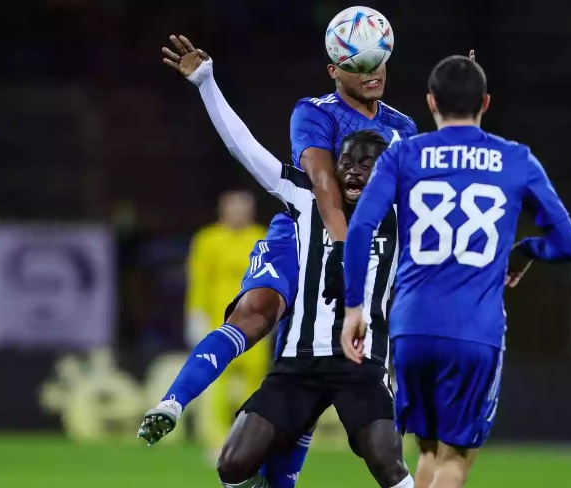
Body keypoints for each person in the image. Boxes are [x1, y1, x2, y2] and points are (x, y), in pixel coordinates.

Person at [138, 30, 416, 487]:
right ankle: (175, 401)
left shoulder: (404, 194)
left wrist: (459, 116)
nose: (352, 173)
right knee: (256, 314)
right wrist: (207, 83)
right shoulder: (308, 162)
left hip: (361, 356)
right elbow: (252, 150)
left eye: (366, 167)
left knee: (384, 459)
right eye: (345, 163)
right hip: (301, 331)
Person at [341, 55, 571, 488]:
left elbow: (360, 227)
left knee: (428, 452)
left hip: (411, 330)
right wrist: (525, 251)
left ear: (431, 102)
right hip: (473, 330)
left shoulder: (403, 154)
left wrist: (354, 307)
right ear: (485, 102)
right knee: (454, 461)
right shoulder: (516, 159)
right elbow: (569, 244)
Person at [185, 191, 269, 455]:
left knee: (255, 383)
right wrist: (195, 314)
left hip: (256, 321)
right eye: (233, 209)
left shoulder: (263, 237)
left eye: (243, 210)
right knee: (217, 384)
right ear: (223, 211)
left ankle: (250, 440)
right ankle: (218, 441)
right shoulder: (208, 239)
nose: (238, 215)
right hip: (219, 322)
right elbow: (199, 279)